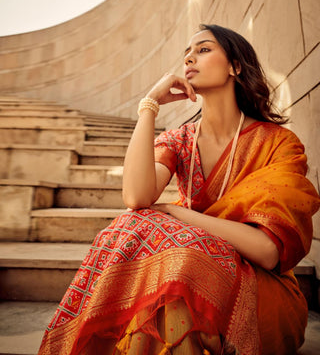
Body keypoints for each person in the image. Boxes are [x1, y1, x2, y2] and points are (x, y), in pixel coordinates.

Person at [38, 24, 319, 355]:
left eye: (203, 49)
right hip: (184, 276)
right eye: (186, 52)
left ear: (235, 66)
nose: (189, 58)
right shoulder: (181, 141)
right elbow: (136, 198)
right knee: (139, 230)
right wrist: (149, 104)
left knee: (177, 262)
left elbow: (267, 251)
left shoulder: (278, 144)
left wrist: (176, 212)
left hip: (261, 292)